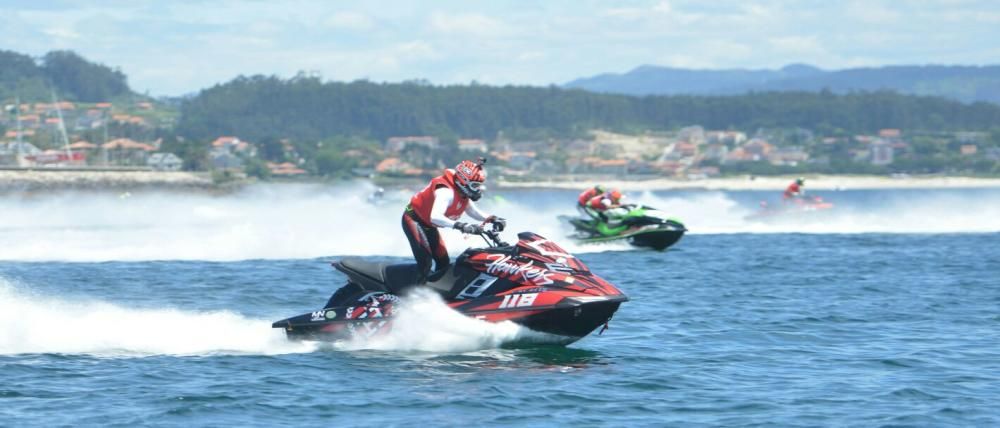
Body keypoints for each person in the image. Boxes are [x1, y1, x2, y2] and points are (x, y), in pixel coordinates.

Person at [403, 159, 506, 283]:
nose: (478, 189)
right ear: (463, 181)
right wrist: (462, 226)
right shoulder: (446, 192)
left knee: (443, 263)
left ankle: (437, 293)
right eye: (475, 185)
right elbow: (435, 217)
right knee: (425, 262)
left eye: (479, 185)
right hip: (414, 219)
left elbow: (472, 212)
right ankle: (411, 295)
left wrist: (493, 218)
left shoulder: (461, 192)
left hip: (428, 225)